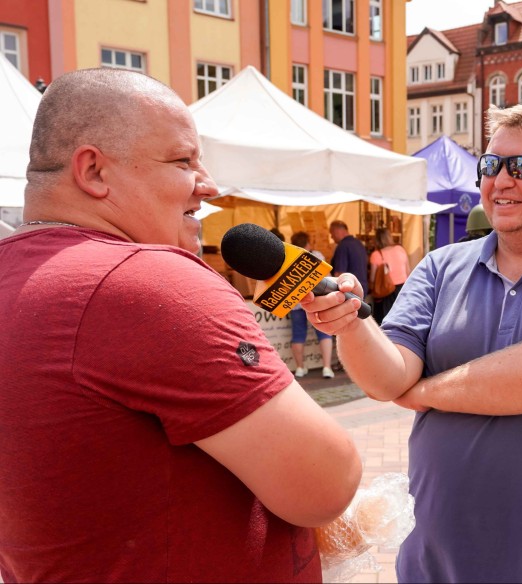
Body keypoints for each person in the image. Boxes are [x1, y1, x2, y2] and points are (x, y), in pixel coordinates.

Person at [0, 68, 362, 583]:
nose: (208, 185)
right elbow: (326, 484)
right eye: (182, 161)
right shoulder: (147, 281)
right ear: (94, 171)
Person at [301, 102, 522, 582]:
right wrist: (352, 325)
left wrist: (423, 392)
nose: (501, 181)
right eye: (491, 164)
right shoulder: (440, 266)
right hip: (431, 561)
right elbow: (387, 379)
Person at [290, 231, 336, 379]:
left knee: (298, 335)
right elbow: (327, 279)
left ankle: (299, 368)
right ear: (307, 243)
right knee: (324, 332)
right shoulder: (316, 256)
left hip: (296, 302)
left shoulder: (289, 258)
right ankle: (327, 367)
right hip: (316, 301)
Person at [368, 227, 410, 324]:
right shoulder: (400, 249)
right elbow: (408, 271)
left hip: (385, 291)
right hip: (402, 289)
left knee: (384, 321)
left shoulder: (376, 255)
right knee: (401, 319)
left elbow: (372, 279)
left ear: (377, 240)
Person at [329, 220, 369, 299]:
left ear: (337, 231)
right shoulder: (359, 243)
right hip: (361, 288)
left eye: (332, 233)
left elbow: (339, 274)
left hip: (349, 291)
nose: (331, 237)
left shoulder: (342, 246)